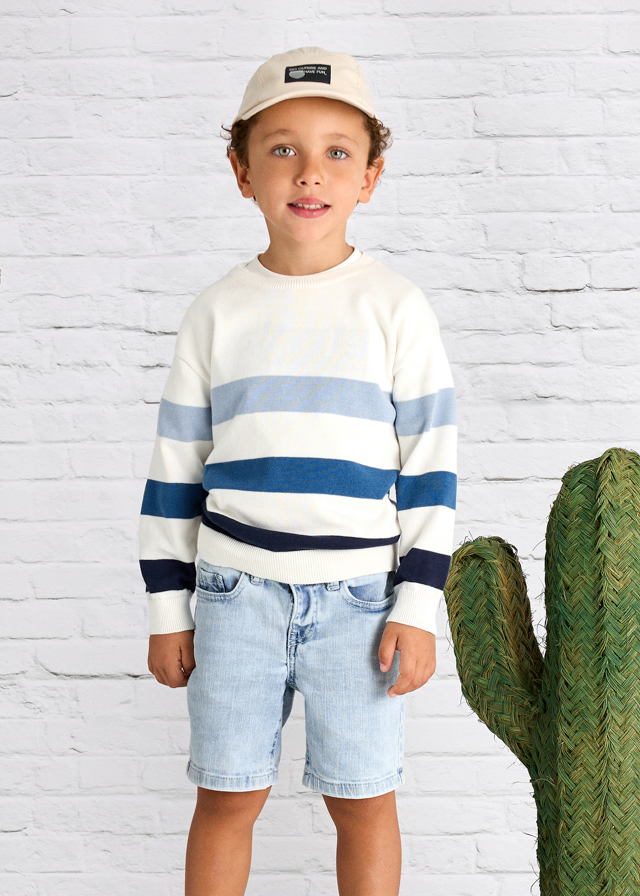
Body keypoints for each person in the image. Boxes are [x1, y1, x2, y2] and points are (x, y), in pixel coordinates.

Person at [139, 46, 458, 896]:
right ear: (242, 172)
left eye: (337, 152)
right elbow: (176, 469)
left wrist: (417, 608)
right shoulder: (217, 311)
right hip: (233, 598)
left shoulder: (396, 309)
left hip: (362, 606)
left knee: (364, 801)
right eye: (282, 149)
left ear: (370, 177)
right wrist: (169, 609)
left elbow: (431, 470)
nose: (309, 172)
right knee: (226, 796)